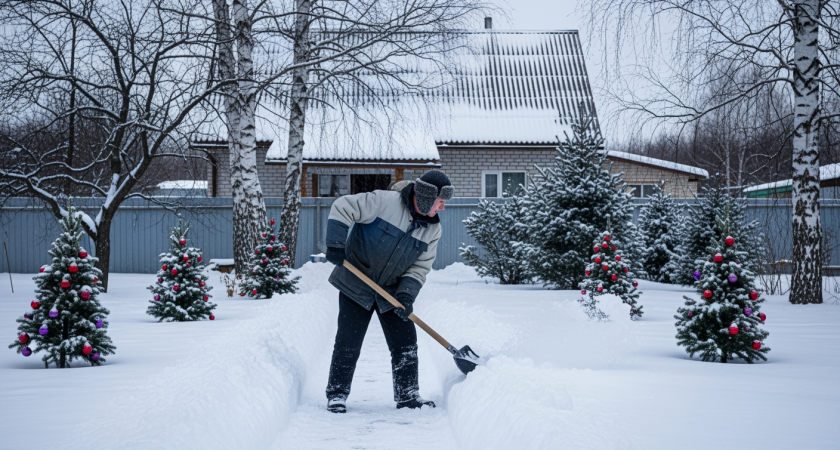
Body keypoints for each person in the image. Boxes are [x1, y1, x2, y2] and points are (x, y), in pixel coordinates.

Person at [323, 170, 454, 413]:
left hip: (392, 291)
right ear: (426, 198)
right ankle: (337, 394)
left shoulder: (432, 229)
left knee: (405, 343)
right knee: (348, 341)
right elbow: (343, 206)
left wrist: (406, 295)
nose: (443, 208)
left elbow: (420, 267)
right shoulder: (383, 202)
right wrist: (335, 244)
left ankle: (408, 396)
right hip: (356, 282)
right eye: (440, 202)